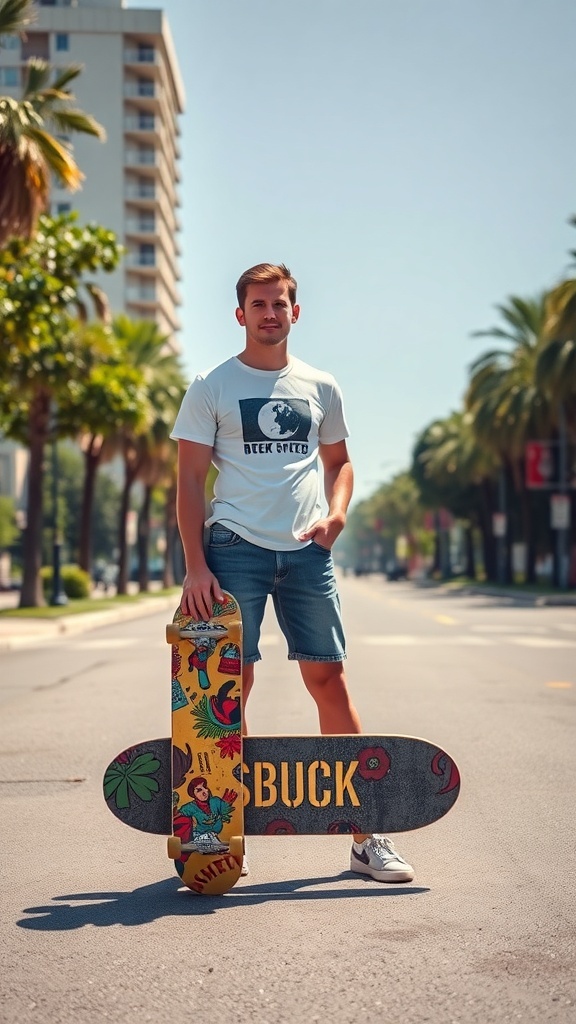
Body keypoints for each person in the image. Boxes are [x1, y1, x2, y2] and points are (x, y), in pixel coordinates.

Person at [170, 262, 414, 884]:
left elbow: (341, 463)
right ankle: (223, 835)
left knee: (328, 681)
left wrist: (336, 517)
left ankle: (366, 836)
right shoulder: (212, 386)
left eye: (280, 303)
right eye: (258, 304)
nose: (269, 313)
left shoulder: (319, 386)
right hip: (235, 549)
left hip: (308, 552)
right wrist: (196, 565)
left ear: (295, 312)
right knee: (230, 691)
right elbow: (190, 482)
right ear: (240, 313)